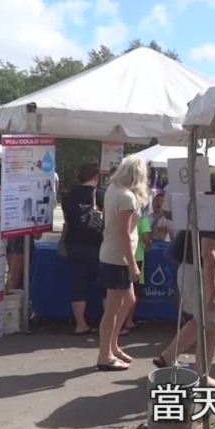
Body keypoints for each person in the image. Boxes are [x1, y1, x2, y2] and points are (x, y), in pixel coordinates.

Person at [154, 171, 215, 386]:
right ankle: (202, 375)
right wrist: (213, 293)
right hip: (207, 276)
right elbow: (209, 255)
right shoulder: (214, 216)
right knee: (213, 326)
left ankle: (168, 356)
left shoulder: (203, 211)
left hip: (192, 271)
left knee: (199, 321)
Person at [95, 155, 148, 371]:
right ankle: (104, 355)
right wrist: (132, 264)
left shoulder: (113, 190)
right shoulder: (127, 197)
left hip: (113, 254)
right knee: (113, 309)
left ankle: (112, 346)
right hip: (119, 258)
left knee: (128, 300)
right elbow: (123, 233)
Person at [61, 164, 105, 335]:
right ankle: (107, 324)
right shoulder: (101, 195)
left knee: (78, 286)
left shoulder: (68, 196)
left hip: (75, 245)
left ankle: (81, 324)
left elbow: (67, 220)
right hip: (98, 246)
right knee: (105, 287)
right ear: (96, 177)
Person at [123, 207, 152, 333]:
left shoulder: (120, 213)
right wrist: (148, 245)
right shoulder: (141, 216)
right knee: (134, 291)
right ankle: (128, 321)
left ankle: (120, 322)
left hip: (120, 256)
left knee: (120, 291)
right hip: (137, 257)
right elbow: (146, 237)